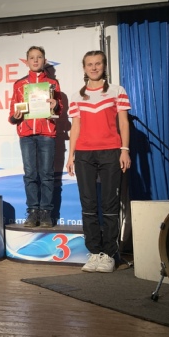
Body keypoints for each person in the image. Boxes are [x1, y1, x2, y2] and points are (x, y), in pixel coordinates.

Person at [66, 50, 131, 273]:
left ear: (104, 66)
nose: (94, 68)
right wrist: (71, 155)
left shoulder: (117, 91)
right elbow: (75, 126)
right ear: (84, 68)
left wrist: (124, 150)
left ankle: (110, 254)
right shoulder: (77, 96)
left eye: (98, 63)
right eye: (89, 64)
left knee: (110, 205)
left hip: (111, 152)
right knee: (88, 204)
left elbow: (124, 123)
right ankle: (94, 252)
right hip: (84, 154)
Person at [8, 46, 62, 227]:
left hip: (47, 133)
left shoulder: (53, 84)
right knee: (30, 174)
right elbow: (12, 112)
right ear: (27, 62)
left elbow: (59, 109)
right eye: (32, 57)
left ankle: (46, 212)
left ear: (44, 61)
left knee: (47, 175)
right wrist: (15, 116)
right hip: (26, 134)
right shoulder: (19, 84)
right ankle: (32, 211)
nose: (36, 60)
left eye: (39, 57)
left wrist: (55, 105)